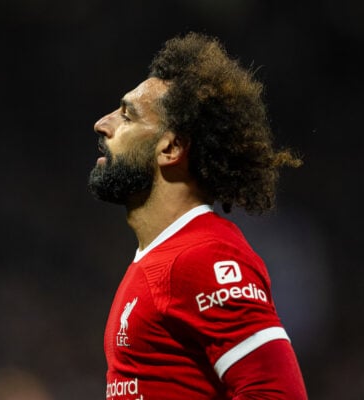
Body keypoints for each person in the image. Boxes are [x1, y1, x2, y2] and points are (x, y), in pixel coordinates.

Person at [88, 32, 308, 400]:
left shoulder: (203, 258)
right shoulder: (163, 257)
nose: (102, 123)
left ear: (171, 147)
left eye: (127, 115)